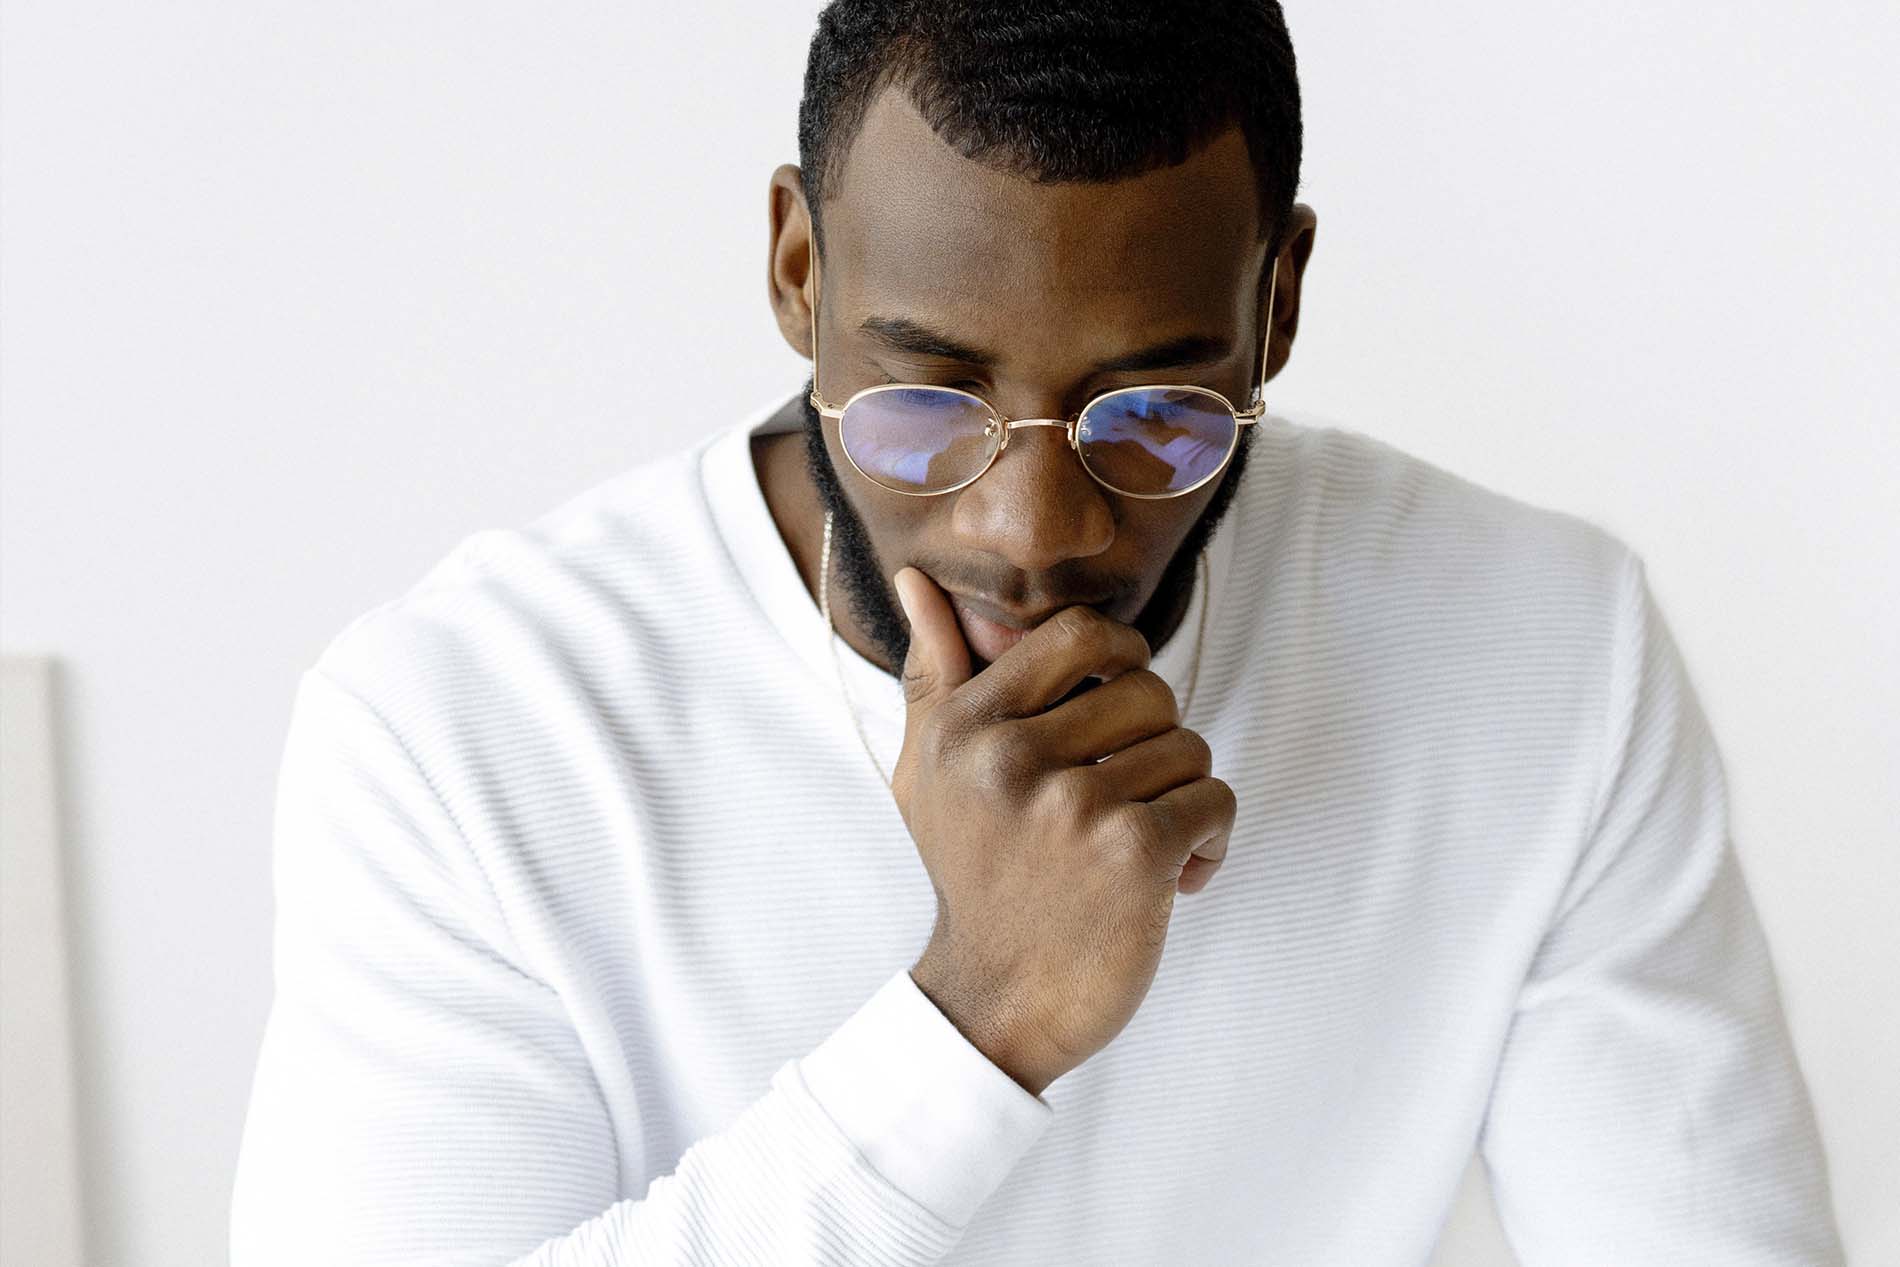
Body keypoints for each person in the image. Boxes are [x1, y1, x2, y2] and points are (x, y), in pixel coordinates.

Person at [228, 2, 1846, 1263]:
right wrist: (980, 1019)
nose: (1033, 529)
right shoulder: (461, 732)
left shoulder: (1545, 653)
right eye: (927, 398)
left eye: (1150, 413)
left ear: (1277, 305)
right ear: (798, 272)